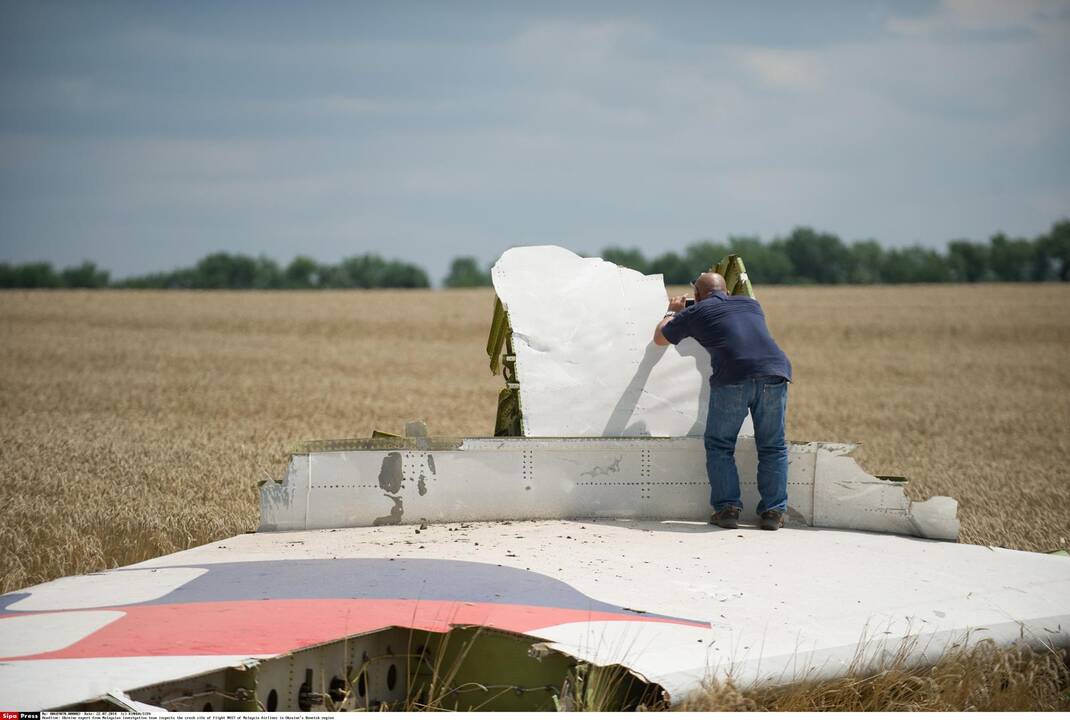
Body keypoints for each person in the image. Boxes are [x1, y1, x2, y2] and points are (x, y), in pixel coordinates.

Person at [653, 272, 792, 531]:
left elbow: (660, 338)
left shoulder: (695, 312)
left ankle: (727, 509)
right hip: (775, 372)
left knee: (720, 445)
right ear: (727, 291)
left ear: (697, 295)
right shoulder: (752, 304)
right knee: (773, 446)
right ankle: (773, 512)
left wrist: (673, 312)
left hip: (733, 377)